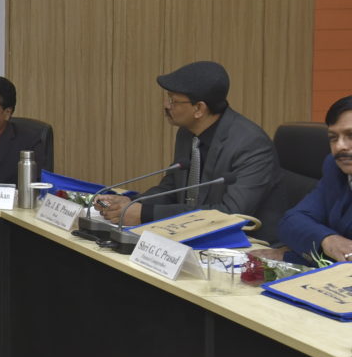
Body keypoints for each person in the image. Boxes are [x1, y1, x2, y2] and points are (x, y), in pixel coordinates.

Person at [96, 61, 285, 243]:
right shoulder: (188, 132)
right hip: (189, 234)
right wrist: (131, 203)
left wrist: (145, 214)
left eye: (173, 100)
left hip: (247, 244)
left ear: (199, 109)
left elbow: (231, 214)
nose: (166, 105)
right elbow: (172, 187)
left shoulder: (251, 144)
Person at [275, 95, 352, 263]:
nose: (339, 146)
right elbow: (291, 221)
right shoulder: (334, 167)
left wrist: (289, 257)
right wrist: (327, 240)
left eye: (351, 135)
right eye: (333, 137)